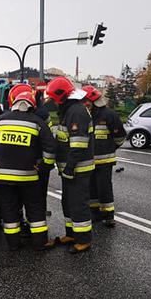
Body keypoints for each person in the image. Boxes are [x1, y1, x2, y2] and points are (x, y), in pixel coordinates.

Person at [0, 91, 56, 251]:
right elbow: (50, 148)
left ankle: (13, 244)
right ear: (31, 106)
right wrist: (43, 167)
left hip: (4, 177)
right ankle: (39, 243)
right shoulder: (37, 122)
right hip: (29, 177)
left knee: (9, 209)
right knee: (35, 209)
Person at [46, 76, 95, 254]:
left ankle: (84, 240)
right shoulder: (68, 110)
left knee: (78, 204)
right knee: (68, 202)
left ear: (60, 96)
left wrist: (70, 167)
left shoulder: (76, 112)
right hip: (70, 169)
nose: (51, 102)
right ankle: (72, 234)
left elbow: (79, 143)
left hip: (78, 169)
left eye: (52, 98)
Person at [82, 85, 126, 227]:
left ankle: (108, 215)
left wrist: (110, 148)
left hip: (105, 160)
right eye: (84, 101)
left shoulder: (109, 115)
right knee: (91, 187)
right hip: (89, 160)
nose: (86, 104)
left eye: (88, 101)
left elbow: (120, 136)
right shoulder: (83, 115)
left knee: (104, 187)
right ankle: (94, 213)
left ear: (95, 101)